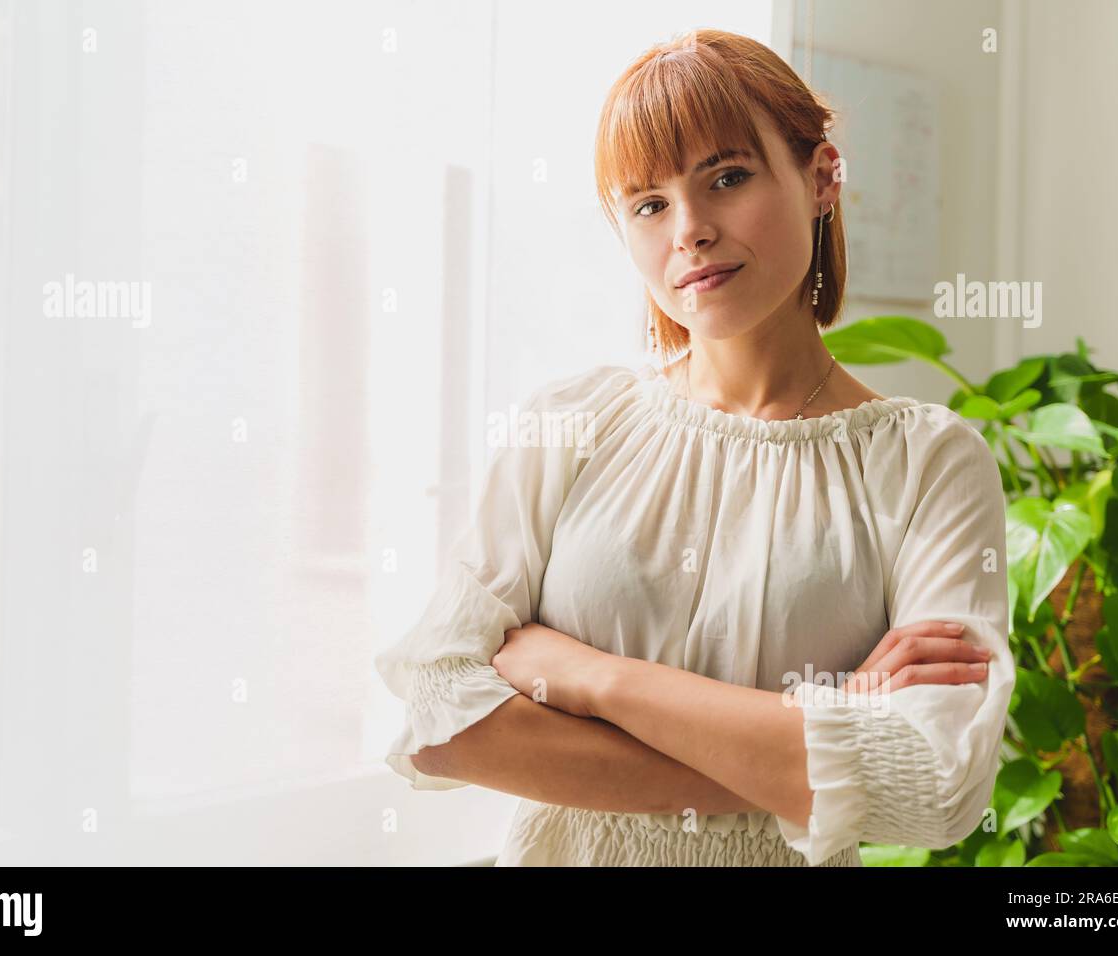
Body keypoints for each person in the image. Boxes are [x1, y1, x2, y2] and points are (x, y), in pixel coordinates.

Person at [373, 28, 1012, 866]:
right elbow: (440, 724)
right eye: (649, 204)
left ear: (821, 178)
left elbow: (933, 788)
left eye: (729, 178)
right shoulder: (573, 424)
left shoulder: (929, 463)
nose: (690, 231)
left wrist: (587, 677)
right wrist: (813, 742)